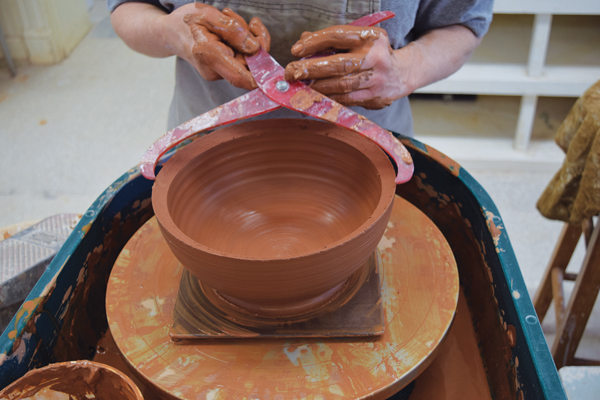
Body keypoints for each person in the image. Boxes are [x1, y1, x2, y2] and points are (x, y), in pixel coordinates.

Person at [107, 0, 493, 137]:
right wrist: (168, 31)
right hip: (207, 146)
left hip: (367, 152)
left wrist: (405, 69)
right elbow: (127, 6)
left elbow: (462, 23)